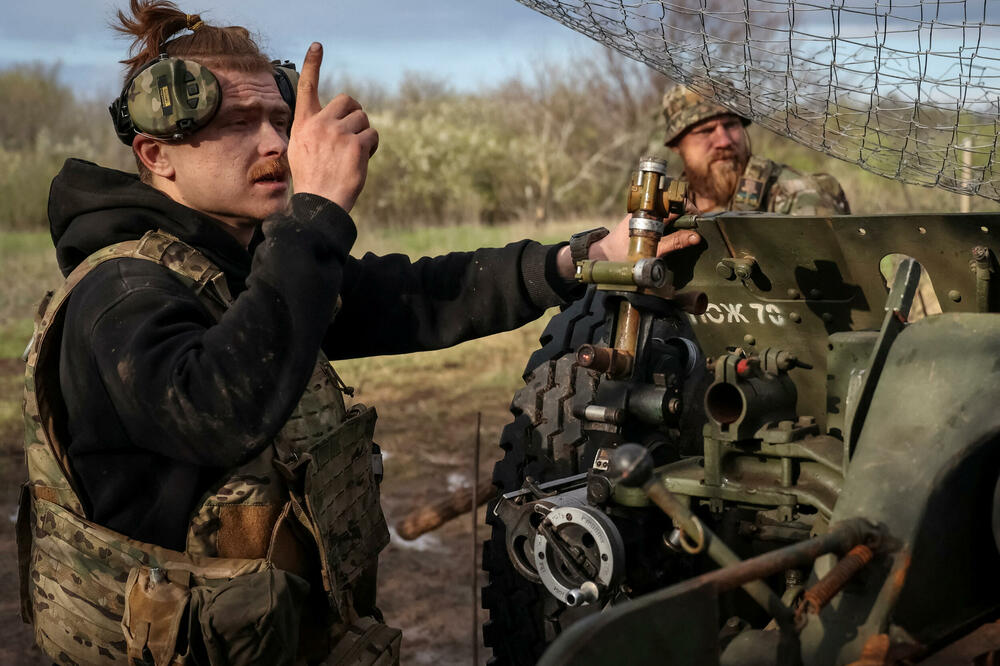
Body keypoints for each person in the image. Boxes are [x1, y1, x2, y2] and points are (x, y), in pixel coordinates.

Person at [17, 2, 700, 665]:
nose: (275, 145)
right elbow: (216, 409)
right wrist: (314, 212)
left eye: (280, 120)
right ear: (156, 154)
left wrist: (585, 257)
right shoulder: (121, 292)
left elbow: (418, 297)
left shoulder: (243, 271)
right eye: (238, 124)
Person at [661, 84, 851, 215]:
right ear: (676, 145)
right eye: (706, 131)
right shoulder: (663, 204)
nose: (724, 141)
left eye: (730, 125)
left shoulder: (798, 194)